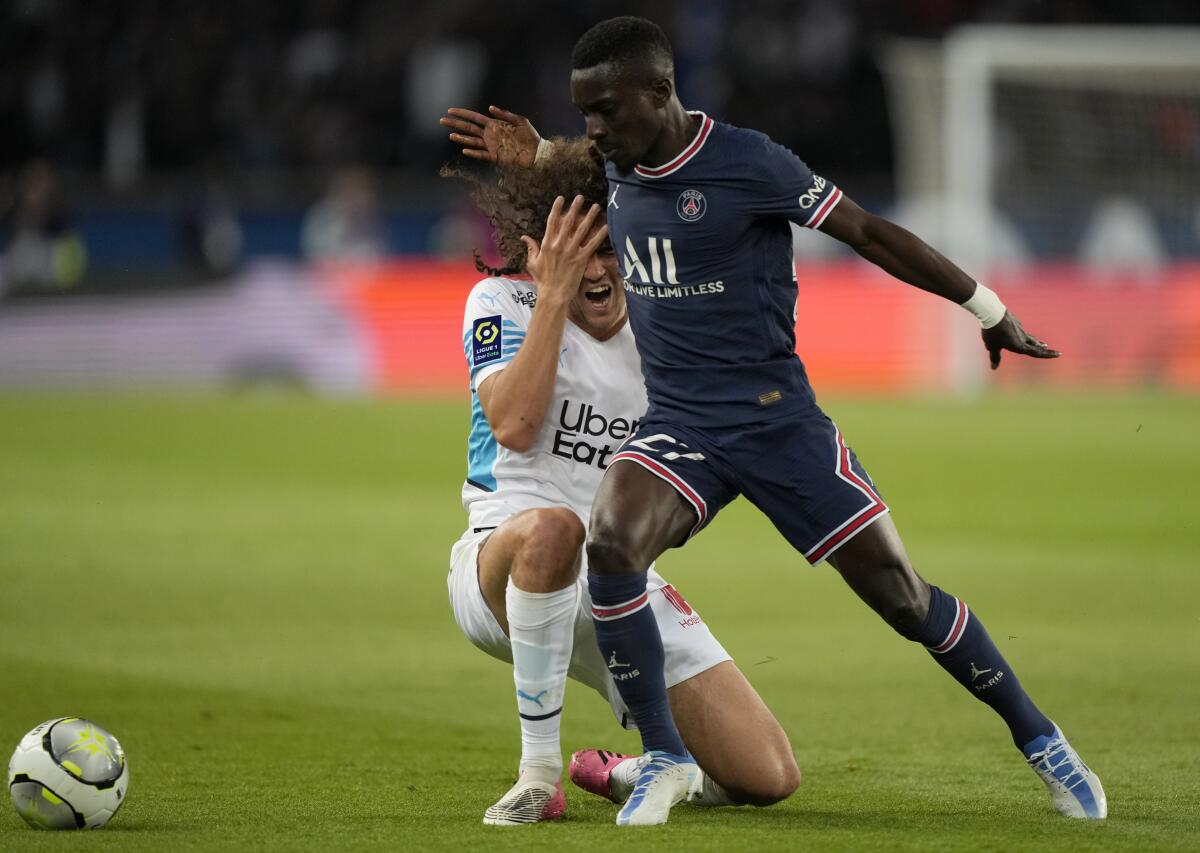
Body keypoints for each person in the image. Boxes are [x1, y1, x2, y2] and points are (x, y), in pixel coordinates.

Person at [440, 15, 1105, 827]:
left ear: (659, 92)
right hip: (681, 428)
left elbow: (865, 230)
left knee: (903, 597)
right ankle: (664, 755)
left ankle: (1042, 739)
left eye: (607, 111)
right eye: (586, 117)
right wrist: (543, 153)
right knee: (612, 536)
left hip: (775, 424)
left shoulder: (747, 163)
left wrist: (986, 306)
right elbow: (573, 167)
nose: (596, 131)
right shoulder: (610, 169)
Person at [442, 136, 799, 825]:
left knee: (768, 774)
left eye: (612, 250)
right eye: (580, 253)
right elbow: (514, 423)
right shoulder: (502, 302)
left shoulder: (665, 330)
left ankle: (629, 767)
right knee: (557, 528)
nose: (598, 270)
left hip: (616, 582)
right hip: (504, 564)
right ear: (539, 251)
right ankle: (538, 775)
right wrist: (551, 296)